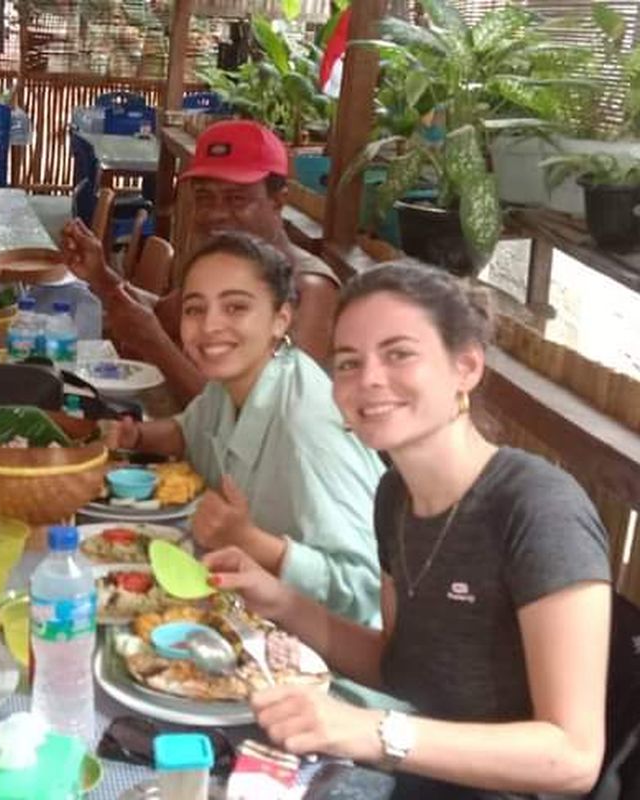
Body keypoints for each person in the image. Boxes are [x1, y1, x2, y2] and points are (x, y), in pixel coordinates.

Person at [207, 262, 611, 798]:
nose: (368, 378)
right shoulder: (395, 497)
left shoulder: (538, 509)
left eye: (399, 353)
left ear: (466, 367)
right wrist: (279, 600)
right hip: (416, 781)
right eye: (348, 363)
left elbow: (574, 756)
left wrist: (371, 731)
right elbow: (398, 668)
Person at [109, 232, 383, 627]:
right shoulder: (233, 383)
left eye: (236, 307)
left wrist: (253, 541)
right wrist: (137, 436)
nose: (210, 326)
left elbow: (368, 592)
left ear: (280, 319)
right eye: (194, 309)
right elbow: (190, 431)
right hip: (248, 612)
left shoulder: (306, 425)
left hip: (329, 664)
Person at [61, 120, 341, 407]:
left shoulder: (309, 288)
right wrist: (100, 275)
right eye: (205, 198)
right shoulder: (224, 265)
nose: (216, 214)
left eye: (236, 199)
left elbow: (256, 417)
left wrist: (154, 344)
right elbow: (161, 315)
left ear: (278, 202)